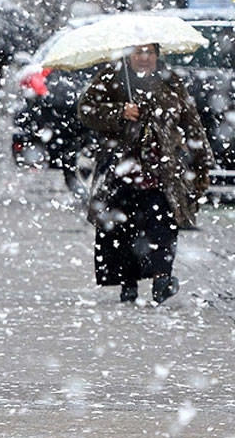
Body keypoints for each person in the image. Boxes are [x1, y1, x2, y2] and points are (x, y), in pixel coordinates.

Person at [76, 43, 214, 305]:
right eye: (138, 52)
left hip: (161, 171)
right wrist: (119, 112)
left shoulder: (169, 81)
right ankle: (128, 283)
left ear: (157, 55)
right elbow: (86, 110)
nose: (144, 58)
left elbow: (191, 122)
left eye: (149, 52)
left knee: (162, 225)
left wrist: (201, 162)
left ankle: (162, 279)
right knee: (123, 228)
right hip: (121, 169)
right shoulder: (112, 77)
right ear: (128, 55)